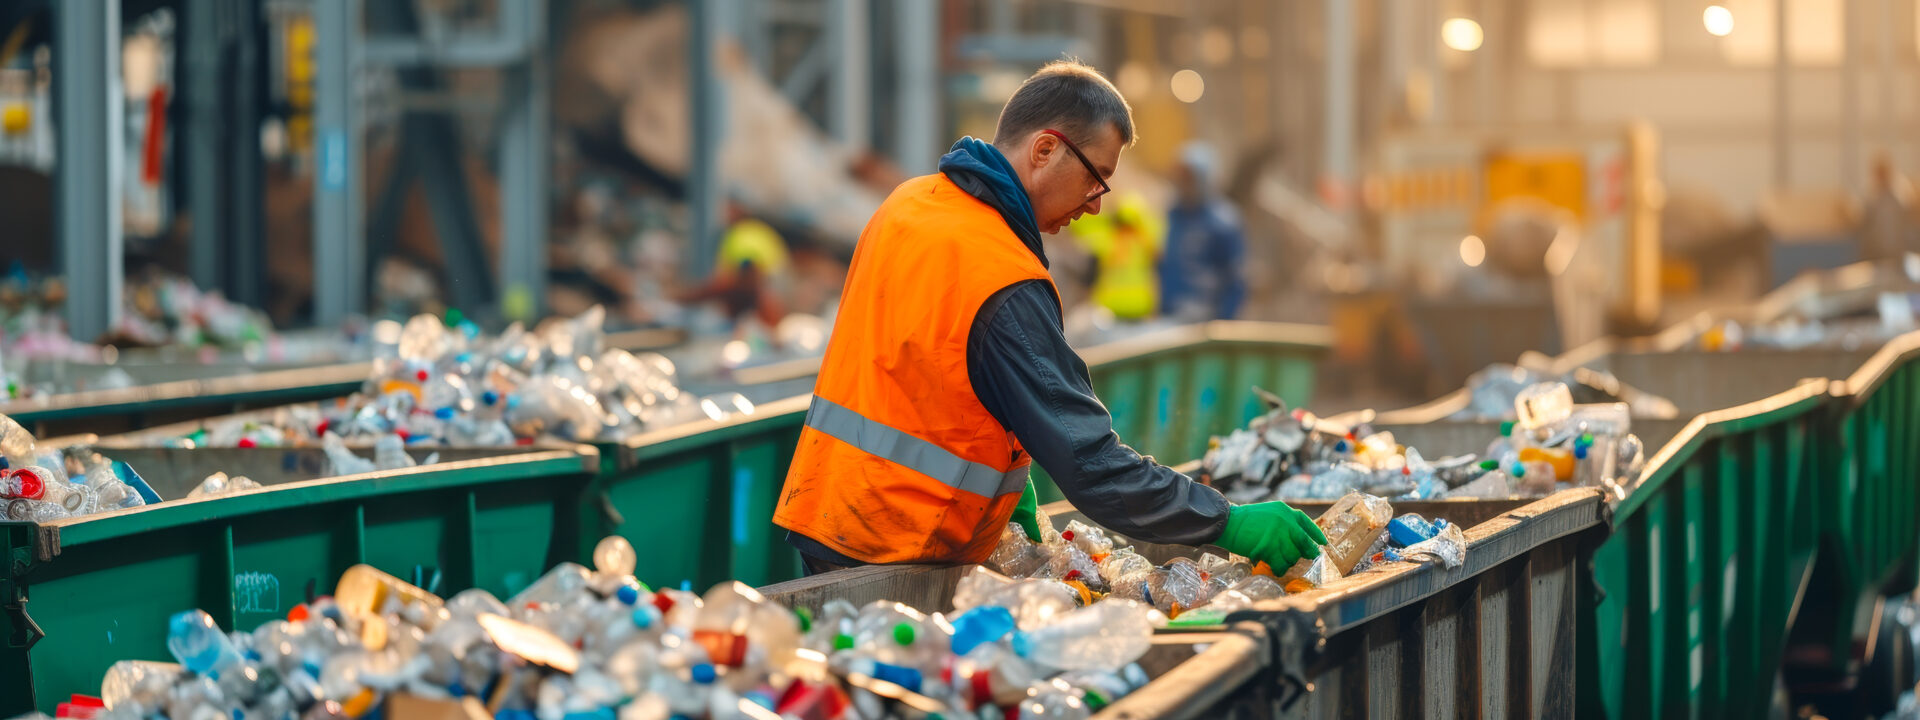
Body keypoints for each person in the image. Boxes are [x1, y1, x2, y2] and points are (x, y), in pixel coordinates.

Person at [773, 61, 1324, 575]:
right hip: (897, 544)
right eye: (1096, 179)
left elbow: (916, 363)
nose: (1096, 205)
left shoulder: (909, 204)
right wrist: (1226, 521)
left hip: (826, 515)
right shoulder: (1001, 274)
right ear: (1044, 150)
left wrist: (1002, 477)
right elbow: (1091, 463)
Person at [1159, 142, 1247, 321]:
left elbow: (1236, 278)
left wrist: (1224, 320)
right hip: (1170, 316)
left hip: (1207, 320)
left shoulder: (1224, 222)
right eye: (1180, 177)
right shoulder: (1173, 215)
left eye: (1189, 178)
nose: (1182, 183)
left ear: (1204, 178)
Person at [1072, 192, 1163, 320]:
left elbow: (1081, 223)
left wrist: (1113, 212)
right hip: (1120, 309)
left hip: (1126, 308)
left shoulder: (1114, 239)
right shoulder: (1140, 241)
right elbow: (1080, 222)